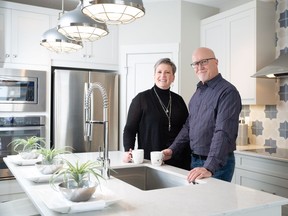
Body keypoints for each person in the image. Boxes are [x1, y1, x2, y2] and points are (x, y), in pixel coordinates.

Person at [162, 47, 242, 182]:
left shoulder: (228, 92)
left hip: (216, 165)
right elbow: (188, 127)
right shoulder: (197, 94)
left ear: (216, 62)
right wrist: (172, 149)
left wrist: (209, 167)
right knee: (198, 203)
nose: (199, 67)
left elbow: (223, 132)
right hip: (195, 161)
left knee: (214, 203)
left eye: (203, 62)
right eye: (195, 64)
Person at [123, 58, 191, 170]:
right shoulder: (141, 99)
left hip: (179, 161)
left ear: (173, 77)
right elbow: (130, 129)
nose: (163, 75)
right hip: (151, 161)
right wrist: (128, 151)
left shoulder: (179, 100)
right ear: (154, 75)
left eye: (167, 72)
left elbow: (187, 130)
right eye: (159, 72)